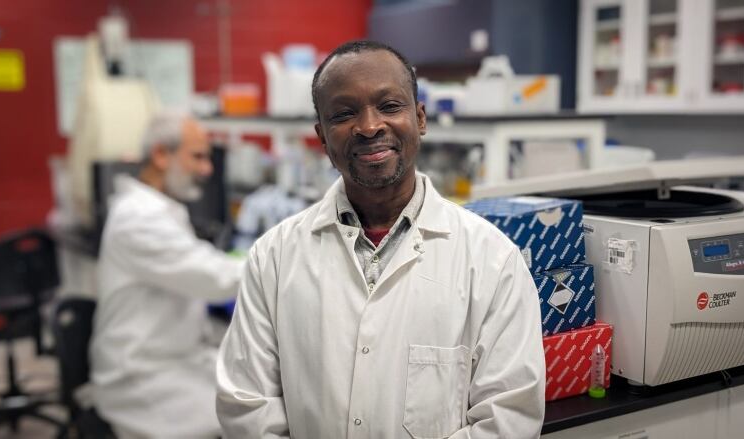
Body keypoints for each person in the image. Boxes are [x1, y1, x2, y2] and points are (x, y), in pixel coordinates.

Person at [216, 41, 545, 438]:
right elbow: (248, 408)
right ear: (322, 135)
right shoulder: (273, 257)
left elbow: (507, 418)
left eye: (389, 106)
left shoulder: (492, 260)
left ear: (420, 118)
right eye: (344, 113)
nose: (370, 127)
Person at [90, 110, 243, 439]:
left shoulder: (160, 209)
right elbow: (214, 278)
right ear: (161, 154)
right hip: (142, 377)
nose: (208, 169)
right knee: (250, 419)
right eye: (198, 157)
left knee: (254, 392)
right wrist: (285, 260)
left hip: (175, 358)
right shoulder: (139, 218)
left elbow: (201, 264)